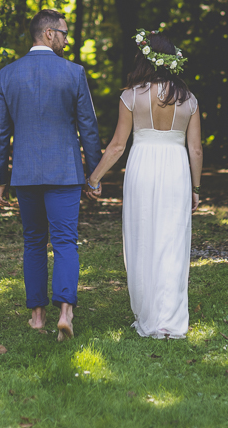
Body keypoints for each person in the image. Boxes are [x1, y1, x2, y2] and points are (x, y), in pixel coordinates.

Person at [0, 9, 102, 341]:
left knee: (34, 242)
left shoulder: (8, 75)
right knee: (66, 241)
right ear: (49, 34)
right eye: (65, 33)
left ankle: (37, 317)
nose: (68, 39)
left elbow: (0, 132)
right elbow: (89, 129)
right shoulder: (74, 73)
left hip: (24, 173)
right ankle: (65, 312)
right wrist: (93, 174)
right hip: (65, 172)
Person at [86, 29, 202, 339]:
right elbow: (196, 149)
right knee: (173, 241)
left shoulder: (131, 96)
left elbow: (117, 146)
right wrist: (196, 187)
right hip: (177, 169)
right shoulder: (188, 99)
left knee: (142, 237)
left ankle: (149, 314)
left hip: (142, 168)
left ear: (145, 59)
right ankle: (170, 318)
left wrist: (94, 178)